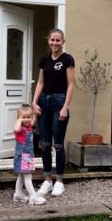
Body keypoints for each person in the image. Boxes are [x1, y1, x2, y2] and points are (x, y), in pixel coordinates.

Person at [32, 28, 75, 197]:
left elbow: (71, 84)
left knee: (58, 144)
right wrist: (34, 102)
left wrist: (65, 106)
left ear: (62, 42)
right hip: (44, 102)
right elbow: (41, 82)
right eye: (52, 40)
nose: (55, 43)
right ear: (48, 41)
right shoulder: (44, 60)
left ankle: (60, 181)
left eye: (58, 40)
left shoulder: (67, 60)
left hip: (59, 102)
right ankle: (47, 180)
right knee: (44, 144)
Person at [13, 104, 46, 205]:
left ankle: (17, 194)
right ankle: (33, 197)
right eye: (24, 117)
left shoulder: (29, 127)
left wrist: (34, 114)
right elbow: (16, 129)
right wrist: (19, 120)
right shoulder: (19, 127)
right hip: (23, 156)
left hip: (28, 155)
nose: (26, 120)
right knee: (28, 176)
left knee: (22, 176)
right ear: (19, 118)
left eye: (28, 117)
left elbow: (33, 120)